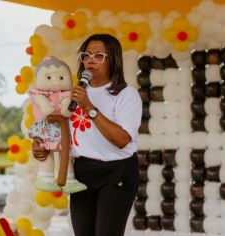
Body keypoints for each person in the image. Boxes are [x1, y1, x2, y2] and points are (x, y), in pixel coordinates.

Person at [32, 33, 142, 236]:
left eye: (99, 56)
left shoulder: (126, 95)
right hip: (82, 171)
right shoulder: (71, 94)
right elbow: (59, 128)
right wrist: (41, 145)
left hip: (116, 171)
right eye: (86, 55)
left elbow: (121, 140)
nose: (91, 60)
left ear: (114, 60)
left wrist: (89, 107)